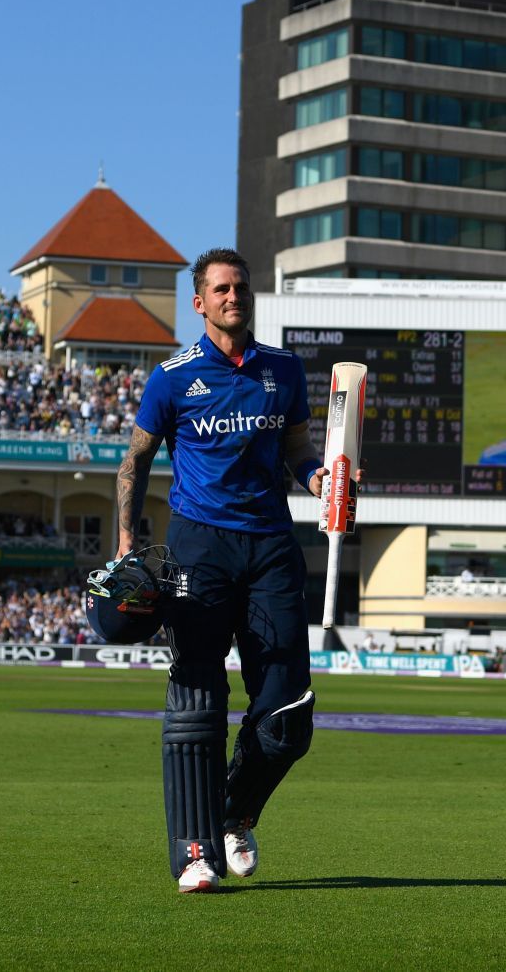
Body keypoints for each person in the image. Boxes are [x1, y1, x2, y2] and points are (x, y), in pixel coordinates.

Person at [114, 247, 353, 895]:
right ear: (199, 302)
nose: (232, 297)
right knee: (199, 699)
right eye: (220, 289)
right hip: (199, 547)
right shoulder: (172, 376)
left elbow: (299, 450)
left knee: (289, 716)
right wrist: (126, 543)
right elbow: (134, 463)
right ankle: (195, 851)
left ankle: (234, 814)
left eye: (241, 287)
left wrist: (322, 481)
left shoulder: (282, 369)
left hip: (272, 546)